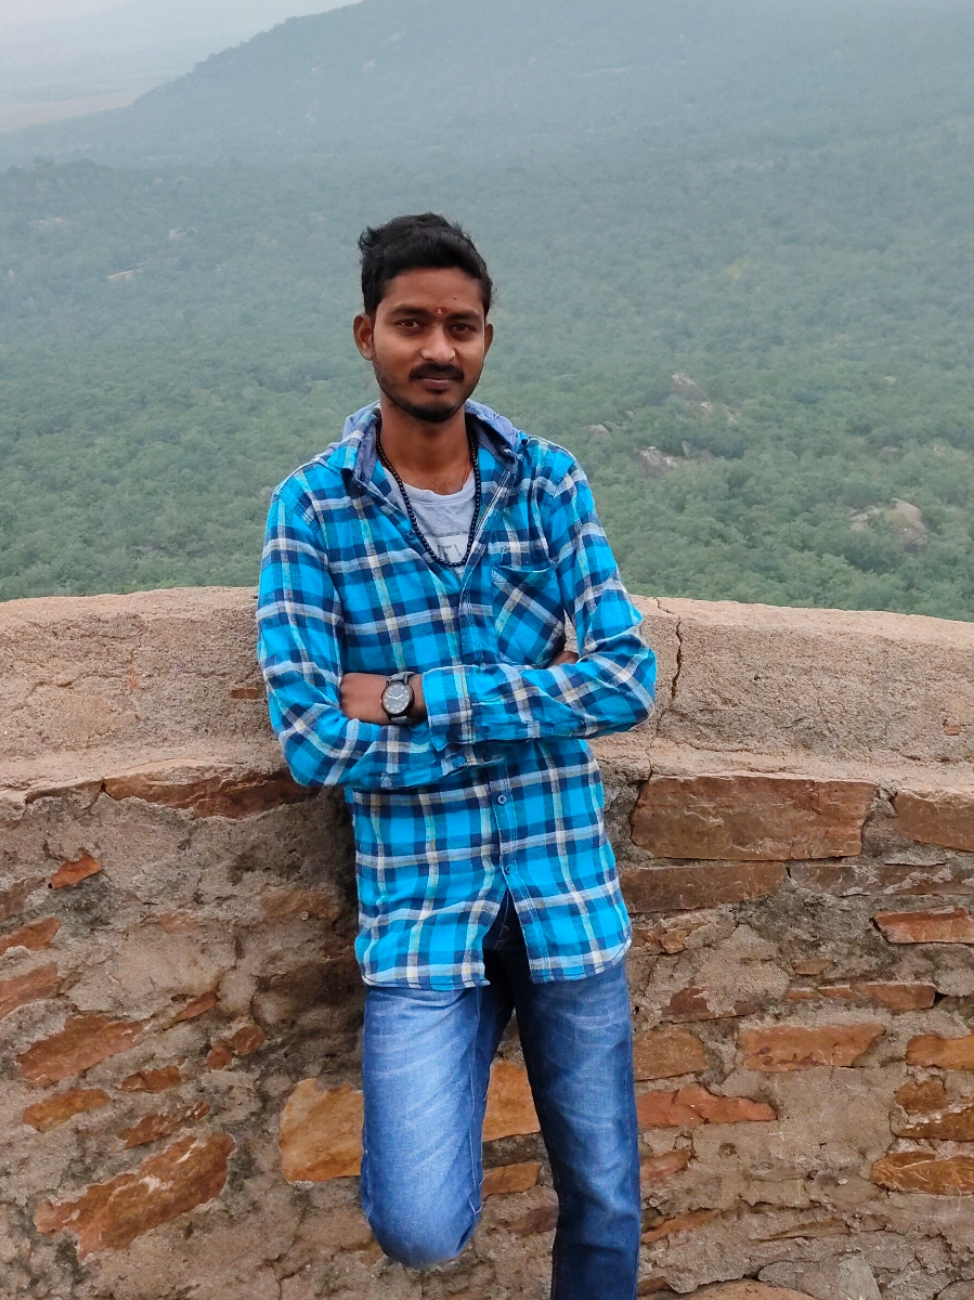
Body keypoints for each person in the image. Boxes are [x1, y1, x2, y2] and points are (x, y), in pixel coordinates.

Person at [257, 213, 657, 1299]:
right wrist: (527, 709)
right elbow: (310, 738)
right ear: (366, 334)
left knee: (605, 1194)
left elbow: (627, 678)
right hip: (424, 909)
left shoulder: (547, 482)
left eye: (460, 326)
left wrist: (419, 696)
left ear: (485, 338)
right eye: (412, 324)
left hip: (565, 891)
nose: (438, 348)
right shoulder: (312, 510)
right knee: (420, 1222)